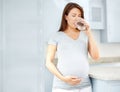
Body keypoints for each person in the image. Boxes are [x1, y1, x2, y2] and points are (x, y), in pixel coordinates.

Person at [46, 2, 99, 92]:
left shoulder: (85, 35)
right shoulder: (56, 36)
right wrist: (63, 79)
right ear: (66, 17)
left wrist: (89, 32)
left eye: (79, 16)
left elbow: (96, 57)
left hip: (85, 87)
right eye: (73, 15)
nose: (77, 18)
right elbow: (48, 62)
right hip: (62, 87)